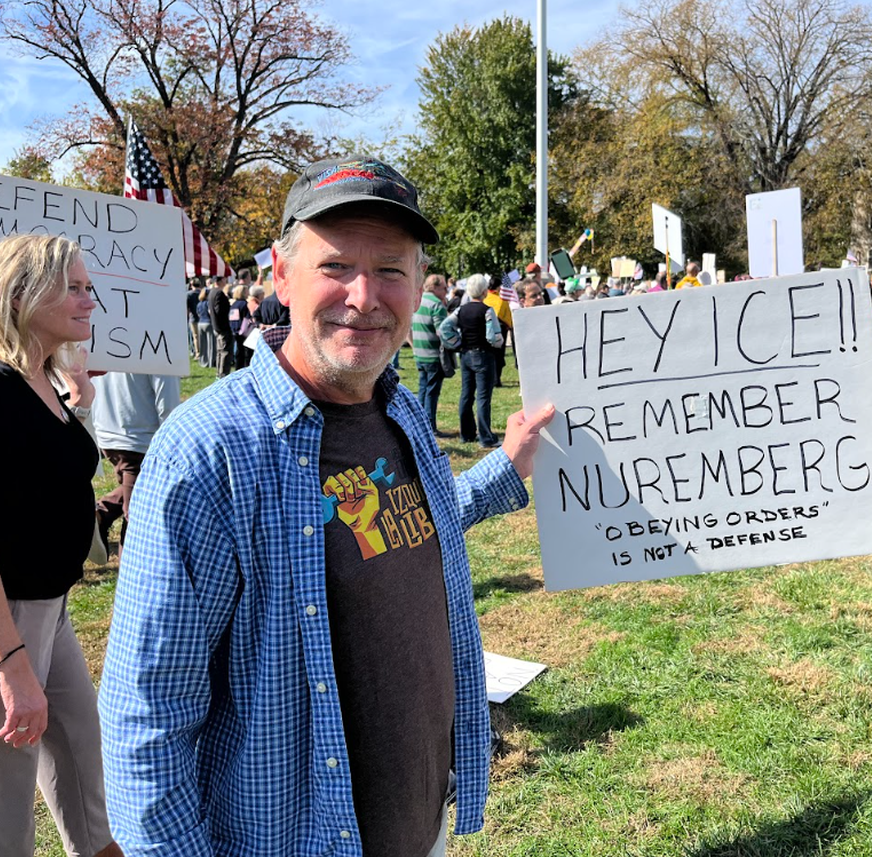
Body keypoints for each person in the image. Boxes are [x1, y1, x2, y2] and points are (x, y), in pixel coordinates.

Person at [98, 155, 553, 857]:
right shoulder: (209, 453)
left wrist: (505, 467)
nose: (365, 295)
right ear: (282, 276)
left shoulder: (400, 413)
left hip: (420, 822)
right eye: (336, 265)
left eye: (392, 269)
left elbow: (410, 526)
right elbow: (145, 719)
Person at [0, 234, 122, 857]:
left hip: (50, 607)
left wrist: (75, 396)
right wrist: (11, 666)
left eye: (87, 286)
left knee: (82, 756)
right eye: (72, 287)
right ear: (21, 293)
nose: (89, 298)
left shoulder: (41, 378)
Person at [92, 371, 181, 556]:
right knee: (136, 516)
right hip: (139, 439)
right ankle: (129, 574)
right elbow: (169, 404)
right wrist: (173, 443)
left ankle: (103, 512)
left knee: (135, 491)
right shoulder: (161, 347)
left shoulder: (104, 341)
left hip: (109, 433)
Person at [440, 273, 505, 448]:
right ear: (484, 291)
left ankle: (466, 434)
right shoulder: (487, 310)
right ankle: (486, 437)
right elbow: (493, 336)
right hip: (484, 355)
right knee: (483, 397)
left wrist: (456, 343)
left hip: (466, 354)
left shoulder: (461, 310)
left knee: (466, 395)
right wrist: (499, 343)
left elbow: (444, 327)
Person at [412, 273, 449, 433]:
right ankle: (430, 426)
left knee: (423, 389)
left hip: (419, 352)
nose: (446, 291)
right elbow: (442, 332)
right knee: (432, 393)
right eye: (444, 288)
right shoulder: (437, 305)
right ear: (434, 287)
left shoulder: (418, 301)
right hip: (433, 354)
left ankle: (419, 425)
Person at [483, 274, 514, 387]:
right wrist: (510, 324)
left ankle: (494, 379)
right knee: (498, 355)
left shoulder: (485, 298)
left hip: (489, 328)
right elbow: (504, 314)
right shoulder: (500, 299)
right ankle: (496, 379)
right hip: (499, 328)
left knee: (493, 355)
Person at [207, 274, 234, 377]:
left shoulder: (212, 292)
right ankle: (222, 374)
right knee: (224, 352)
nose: (225, 281)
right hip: (222, 327)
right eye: (224, 279)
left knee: (220, 351)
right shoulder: (219, 293)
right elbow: (219, 311)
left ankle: (219, 372)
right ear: (220, 281)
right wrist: (229, 306)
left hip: (216, 326)